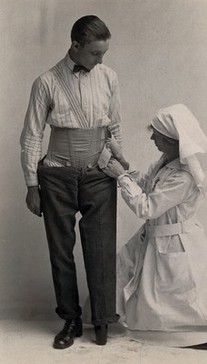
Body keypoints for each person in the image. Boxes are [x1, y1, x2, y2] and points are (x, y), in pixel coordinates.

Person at [102, 103, 207, 352]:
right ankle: (127, 320)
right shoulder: (165, 162)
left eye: (157, 135)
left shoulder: (184, 176)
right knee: (155, 292)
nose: (152, 138)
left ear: (174, 140)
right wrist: (123, 163)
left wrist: (121, 177)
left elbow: (147, 208)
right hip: (158, 241)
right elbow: (148, 184)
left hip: (176, 244)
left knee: (192, 303)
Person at [20, 15, 128, 349]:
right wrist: (32, 185)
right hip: (56, 177)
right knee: (61, 253)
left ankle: (102, 319)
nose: (101, 60)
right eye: (95, 53)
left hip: (98, 176)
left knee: (101, 248)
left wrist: (117, 162)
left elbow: (115, 127)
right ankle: (70, 319)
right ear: (75, 46)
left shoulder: (109, 77)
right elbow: (31, 137)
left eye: (104, 53)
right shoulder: (46, 82)